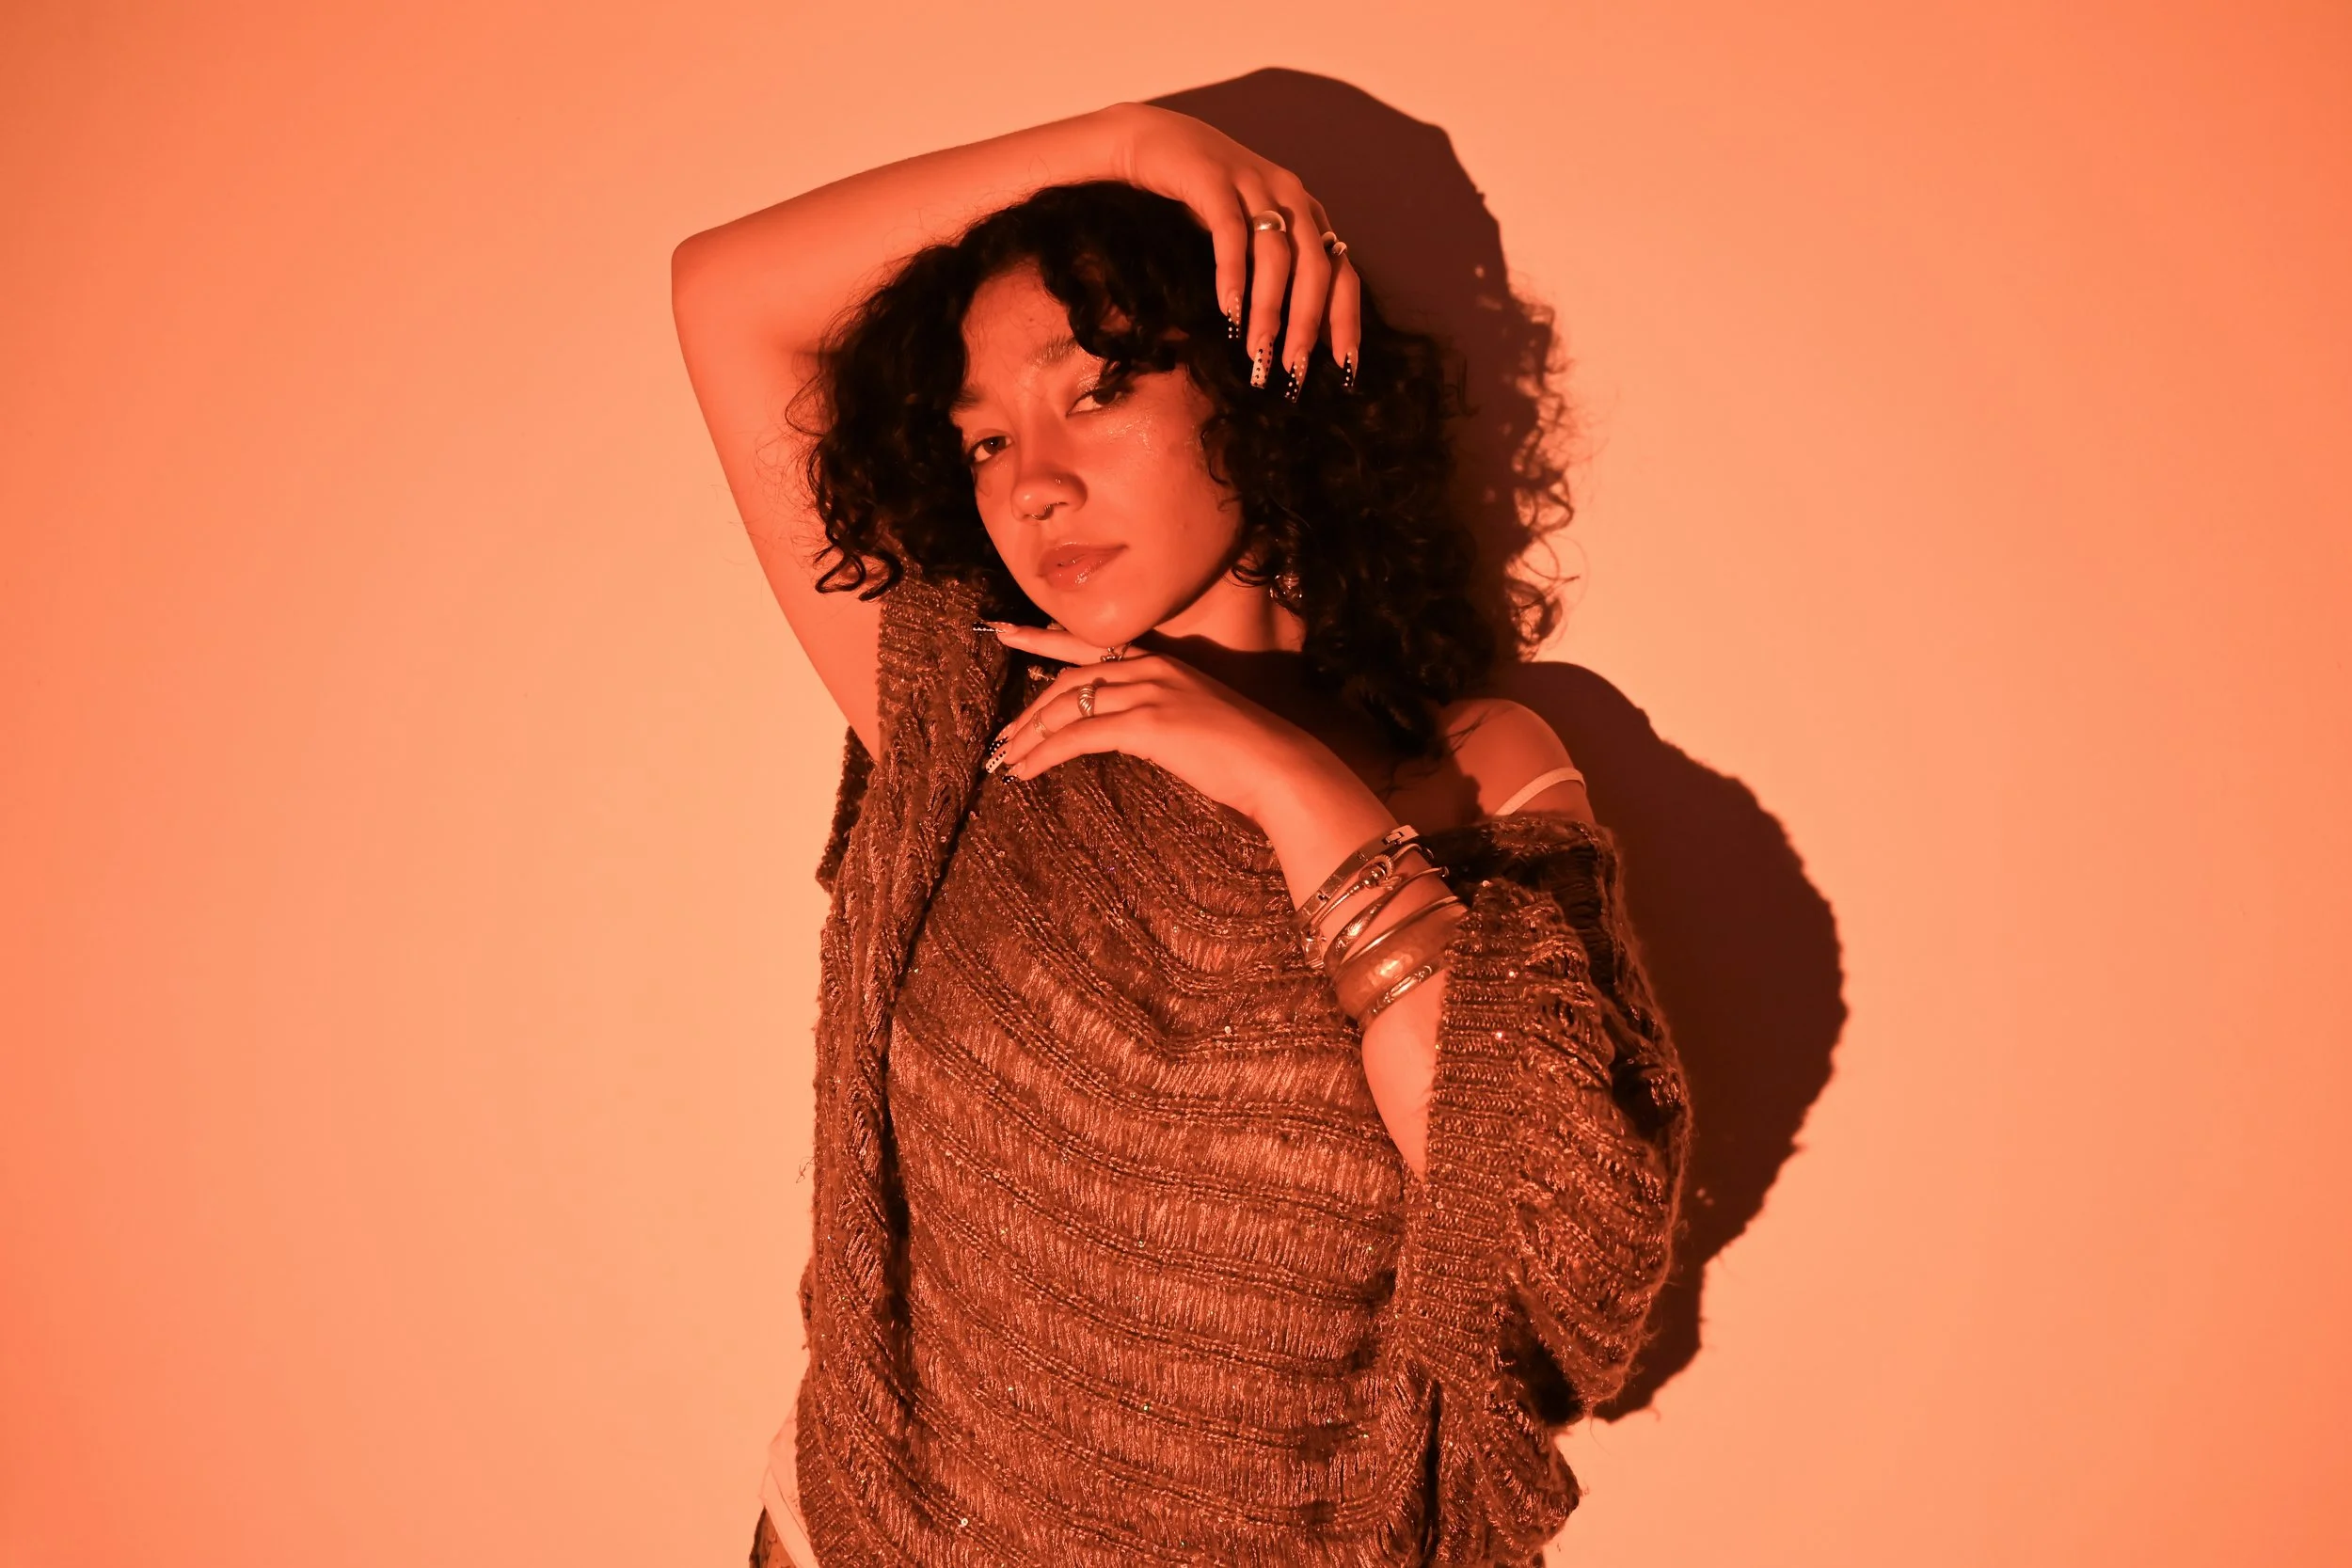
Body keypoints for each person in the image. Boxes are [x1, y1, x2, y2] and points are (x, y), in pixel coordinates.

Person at [670, 101, 1690, 1568]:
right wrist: (1136, 145)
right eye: (983, 438)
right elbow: (725, 295)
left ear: (1255, 379)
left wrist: (1296, 790)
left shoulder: (1465, 777)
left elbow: (1560, 1274)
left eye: (1093, 391)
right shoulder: (977, 721)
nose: (1031, 482)